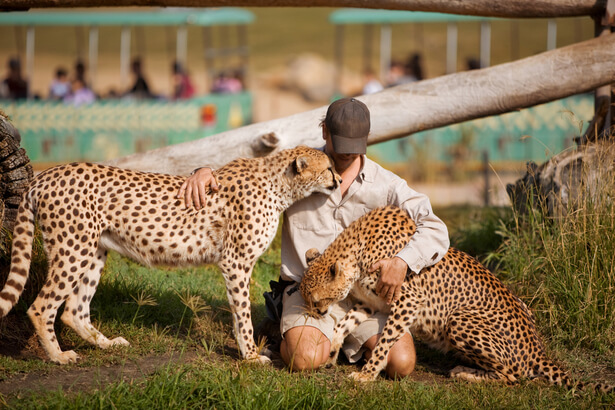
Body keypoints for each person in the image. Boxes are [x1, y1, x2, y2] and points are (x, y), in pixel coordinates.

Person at [178, 98, 450, 378]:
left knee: (400, 364)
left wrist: (403, 262)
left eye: (353, 147)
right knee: (304, 358)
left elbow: (435, 228)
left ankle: (340, 340)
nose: (345, 155)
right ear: (324, 131)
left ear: (367, 139)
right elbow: (248, 173)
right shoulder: (299, 170)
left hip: (364, 296)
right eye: (340, 145)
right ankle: (283, 329)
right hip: (308, 291)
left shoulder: (387, 184)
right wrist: (204, 171)